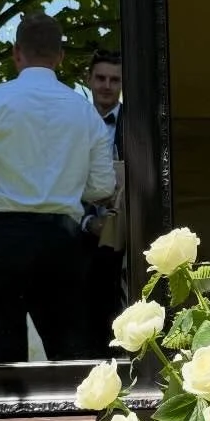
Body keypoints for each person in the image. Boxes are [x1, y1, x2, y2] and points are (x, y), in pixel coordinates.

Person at [0, 14, 116, 362]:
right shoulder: (85, 113)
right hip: (63, 243)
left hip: (3, 239)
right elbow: (102, 185)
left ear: (16, 53)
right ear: (60, 57)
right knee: (72, 357)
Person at [81, 47, 127, 354]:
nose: (107, 86)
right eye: (100, 78)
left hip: (125, 241)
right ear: (89, 79)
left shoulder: (136, 124)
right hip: (79, 237)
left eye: (114, 79)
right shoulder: (73, 123)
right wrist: (87, 222)